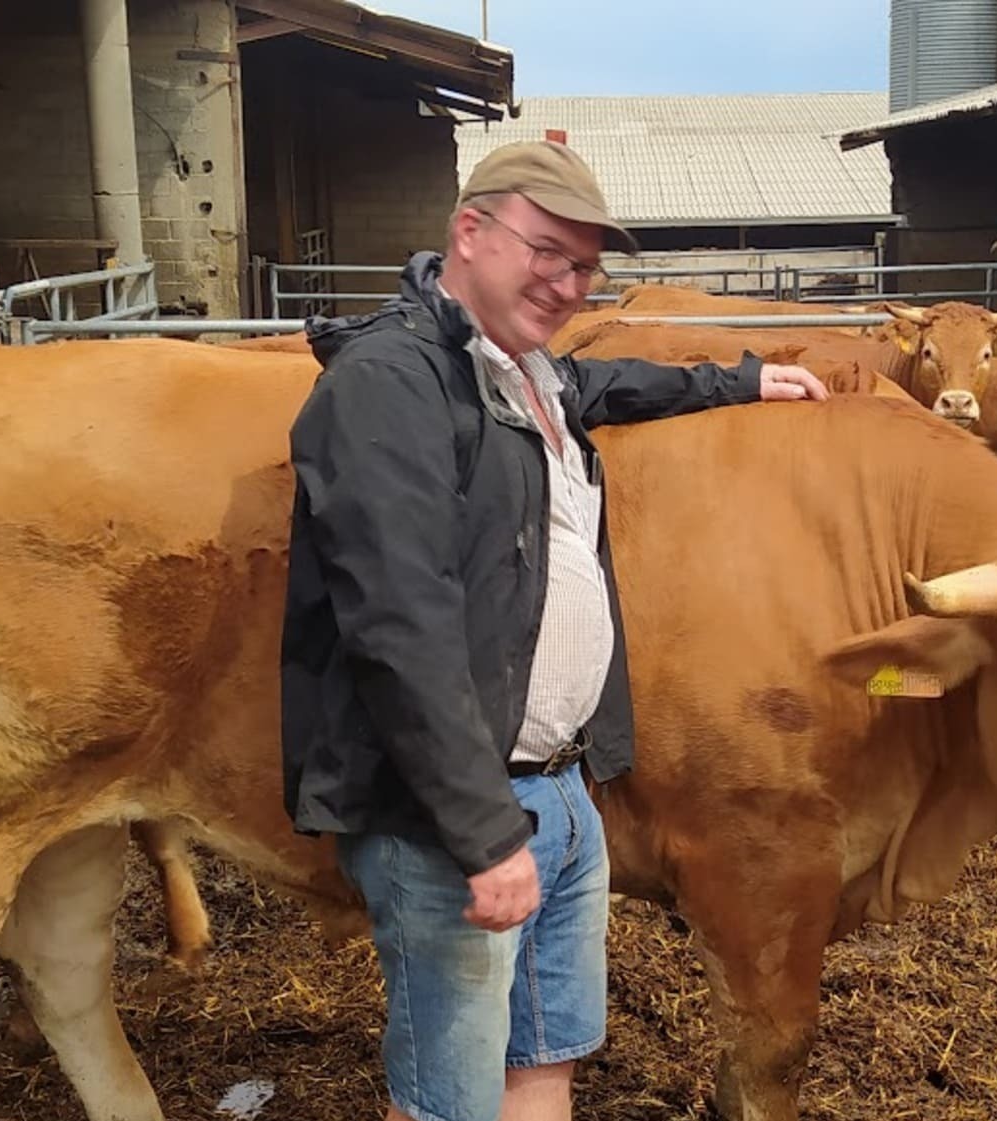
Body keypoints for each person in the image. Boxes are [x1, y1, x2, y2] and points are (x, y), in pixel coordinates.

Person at [280, 139, 827, 1121]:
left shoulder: (522, 367)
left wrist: (740, 381)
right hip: (456, 816)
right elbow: (397, 628)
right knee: (449, 1098)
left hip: (563, 795)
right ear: (470, 232)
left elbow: (605, 385)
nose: (567, 282)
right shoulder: (390, 383)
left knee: (545, 1061)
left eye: (583, 267)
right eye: (547, 250)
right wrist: (485, 835)